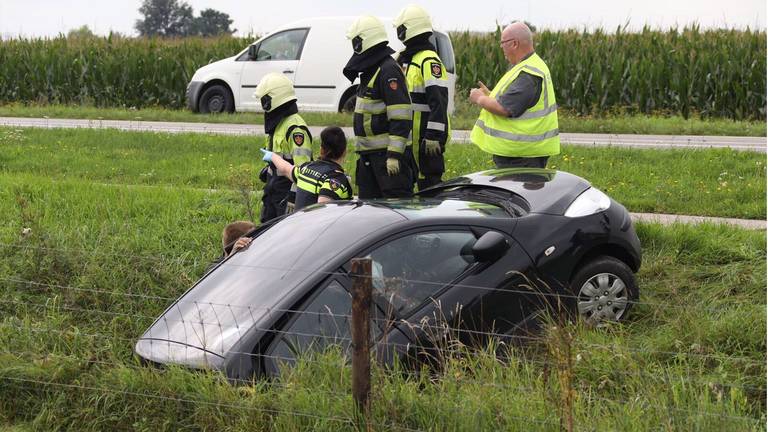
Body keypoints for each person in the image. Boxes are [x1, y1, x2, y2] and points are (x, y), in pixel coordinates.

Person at [468, 21, 560, 169]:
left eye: (503, 42)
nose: (501, 47)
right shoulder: (530, 66)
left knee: (518, 192)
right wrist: (490, 96)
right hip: (522, 154)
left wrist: (479, 98)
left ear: (514, 44)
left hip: (521, 157)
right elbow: (518, 101)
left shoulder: (528, 73)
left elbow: (504, 108)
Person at [343, 15, 415, 199]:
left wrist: (394, 155)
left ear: (362, 41)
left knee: (395, 214)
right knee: (371, 214)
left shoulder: (388, 70)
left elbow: (401, 116)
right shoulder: (372, 70)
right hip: (371, 157)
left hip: (388, 161)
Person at [393, 5, 451, 190]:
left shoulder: (428, 60)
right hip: (414, 137)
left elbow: (439, 101)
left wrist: (434, 135)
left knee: (430, 187)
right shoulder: (413, 59)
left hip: (426, 138)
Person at [254, 73, 313, 222]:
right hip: (274, 189)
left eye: (264, 100)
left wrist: (294, 200)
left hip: (287, 194)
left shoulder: (295, 128)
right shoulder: (278, 123)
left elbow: (303, 170)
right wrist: (268, 171)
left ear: (273, 100)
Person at [259, 126, 353, 210]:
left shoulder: (306, 168)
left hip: (299, 225)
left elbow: (286, 169)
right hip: (316, 228)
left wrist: (272, 156)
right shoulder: (335, 179)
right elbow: (323, 210)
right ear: (345, 151)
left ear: (321, 150)